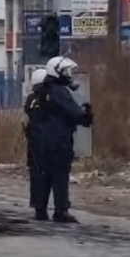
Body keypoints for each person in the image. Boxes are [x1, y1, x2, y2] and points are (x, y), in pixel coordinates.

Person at [35, 56, 93, 223]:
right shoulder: (59, 91)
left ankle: (41, 210)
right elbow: (73, 113)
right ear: (58, 72)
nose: (69, 75)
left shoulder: (44, 89)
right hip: (58, 140)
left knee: (45, 175)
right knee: (60, 176)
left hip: (43, 139)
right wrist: (86, 115)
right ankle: (61, 211)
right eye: (66, 71)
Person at [23, 68, 48, 219]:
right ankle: (41, 208)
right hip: (43, 142)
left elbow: (26, 121)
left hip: (33, 143)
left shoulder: (30, 99)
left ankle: (39, 208)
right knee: (44, 175)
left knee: (36, 175)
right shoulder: (46, 98)